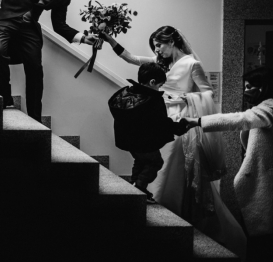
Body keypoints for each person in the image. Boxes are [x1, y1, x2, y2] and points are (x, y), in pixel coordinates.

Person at [101, 26, 247, 258]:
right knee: (153, 160)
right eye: (154, 46)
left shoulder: (191, 64)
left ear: (172, 41)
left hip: (180, 122)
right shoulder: (158, 63)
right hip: (156, 121)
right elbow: (130, 57)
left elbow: (208, 93)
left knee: (178, 171)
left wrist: (183, 97)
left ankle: (184, 217)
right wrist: (109, 39)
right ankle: (152, 201)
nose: (156, 50)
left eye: (159, 44)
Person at [183, 67, 273, 262]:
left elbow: (239, 119)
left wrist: (197, 121)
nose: (245, 91)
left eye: (249, 86)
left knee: (267, 247)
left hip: (271, 189)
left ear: (262, 88)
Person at [108, 62, 188, 203]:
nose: (159, 88)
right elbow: (161, 122)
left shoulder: (127, 94)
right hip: (145, 142)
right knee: (155, 162)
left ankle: (133, 187)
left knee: (140, 161)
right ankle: (139, 188)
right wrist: (179, 127)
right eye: (159, 85)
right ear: (152, 82)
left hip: (129, 141)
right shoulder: (152, 99)